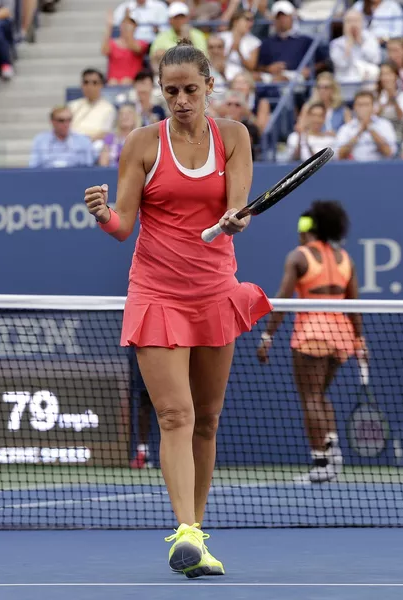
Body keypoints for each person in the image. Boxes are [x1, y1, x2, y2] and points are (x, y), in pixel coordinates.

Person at [83, 39, 273, 578]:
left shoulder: (233, 136)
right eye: (172, 91)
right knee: (175, 415)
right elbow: (123, 227)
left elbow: (238, 205)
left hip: (214, 291)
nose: (182, 99)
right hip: (157, 293)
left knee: (207, 420)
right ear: (160, 92)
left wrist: (236, 218)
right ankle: (184, 535)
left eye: (191, 89)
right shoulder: (142, 143)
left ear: (210, 88)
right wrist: (102, 215)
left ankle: (199, 532)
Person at [256, 201, 366, 484]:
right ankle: (332, 449)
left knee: (310, 398)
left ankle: (320, 461)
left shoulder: (299, 256)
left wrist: (267, 336)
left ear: (309, 228)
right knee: (320, 394)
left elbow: (281, 299)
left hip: (312, 334)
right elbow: (353, 305)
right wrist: (359, 340)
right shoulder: (345, 258)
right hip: (341, 335)